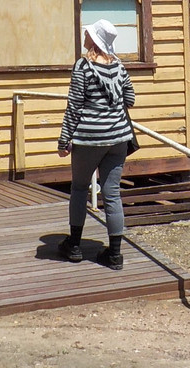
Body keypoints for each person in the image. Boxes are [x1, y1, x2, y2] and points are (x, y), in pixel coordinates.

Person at [56, 19, 136, 270]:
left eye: (88, 32)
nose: (84, 34)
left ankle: (74, 246)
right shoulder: (119, 65)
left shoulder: (83, 66)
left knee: (80, 188)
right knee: (112, 194)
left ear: (95, 39)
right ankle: (115, 255)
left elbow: (74, 106)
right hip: (119, 138)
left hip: (89, 139)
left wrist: (64, 140)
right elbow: (130, 99)